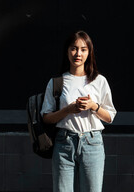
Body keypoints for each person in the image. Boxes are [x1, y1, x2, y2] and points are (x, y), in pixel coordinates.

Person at [40, 30, 117, 192]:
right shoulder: (57, 82)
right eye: (74, 48)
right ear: (67, 51)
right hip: (64, 143)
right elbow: (46, 117)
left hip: (92, 143)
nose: (78, 53)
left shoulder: (99, 80)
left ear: (89, 53)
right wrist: (68, 109)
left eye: (83, 49)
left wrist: (93, 106)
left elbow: (110, 116)